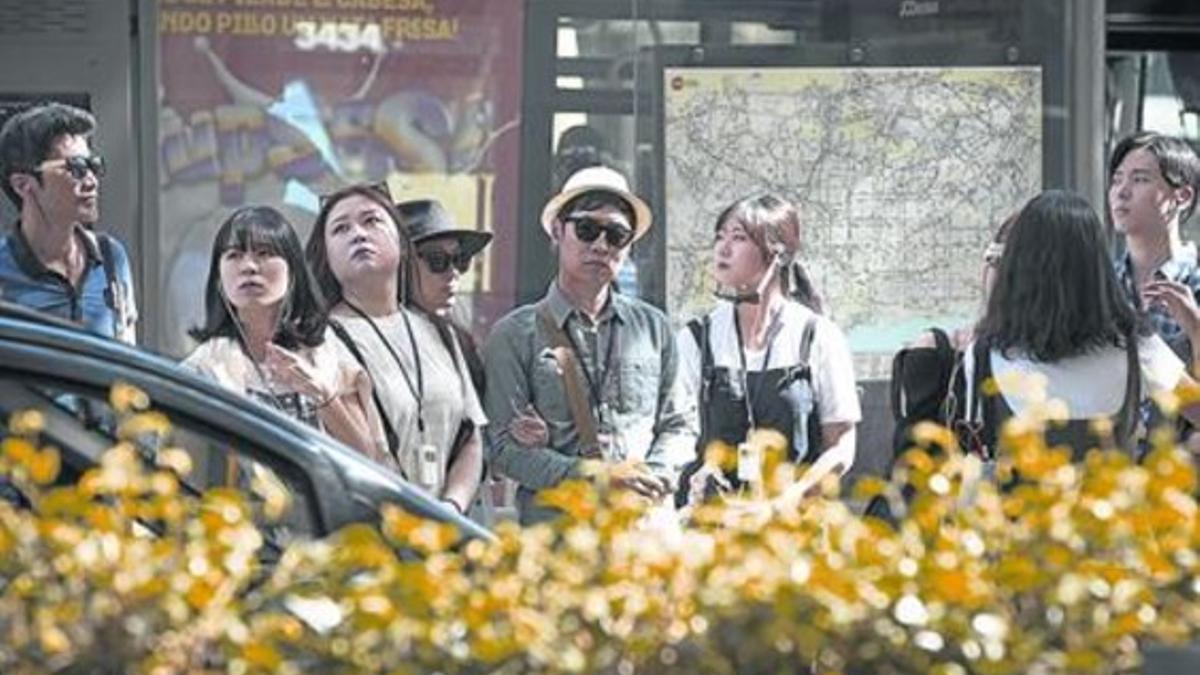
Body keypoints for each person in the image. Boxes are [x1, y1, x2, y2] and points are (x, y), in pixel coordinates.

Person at [482, 165, 696, 525]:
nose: (600, 245)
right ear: (557, 231)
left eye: (616, 235)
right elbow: (503, 449)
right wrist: (600, 478)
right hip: (557, 538)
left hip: (642, 533)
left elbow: (681, 424)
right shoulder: (514, 334)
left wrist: (650, 479)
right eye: (586, 230)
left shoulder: (654, 327)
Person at [961, 190, 1200, 459]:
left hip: (1017, 502)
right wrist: (1196, 330)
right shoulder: (1136, 347)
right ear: (1097, 266)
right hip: (1115, 499)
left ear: (1017, 266)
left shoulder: (983, 354)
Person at [306, 185, 486, 515]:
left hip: (446, 534)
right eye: (341, 228)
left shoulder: (439, 332)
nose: (358, 234)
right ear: (326, 256)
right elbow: (350, 455)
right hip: (370, 533)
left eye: (371, 221)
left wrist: (451, 508)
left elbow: (471, 439)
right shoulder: (319, 342)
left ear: (401, 244)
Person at [677, 193, 860, 507]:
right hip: (714, 530)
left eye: (738, 238)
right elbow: (678, 431)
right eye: (720, 237)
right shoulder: (697, 337)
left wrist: (788, 502)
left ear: (779, 254)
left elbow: (841, 446)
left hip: (794, 528)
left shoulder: (817, 336)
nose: (724, 248)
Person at [183, 206, 386, 461]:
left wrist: (322, 395)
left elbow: (367, 459)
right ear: (218, 277)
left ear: (293, 272)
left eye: (264, 253)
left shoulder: (327, 354)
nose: (249, 266)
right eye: (234, 255)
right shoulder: (202, 369)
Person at [0, 102, 136, 342]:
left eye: (93, 165)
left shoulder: (111, 257)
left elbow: (127, 355)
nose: (91, 181)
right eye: (76, 168)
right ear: (23, 185)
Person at [1108, 132, 1200, 441]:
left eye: (1140, 179)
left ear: (1182, 196)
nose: (1121, 191)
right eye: (1117, 178)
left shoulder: (1195, 283)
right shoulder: (1098, 285)